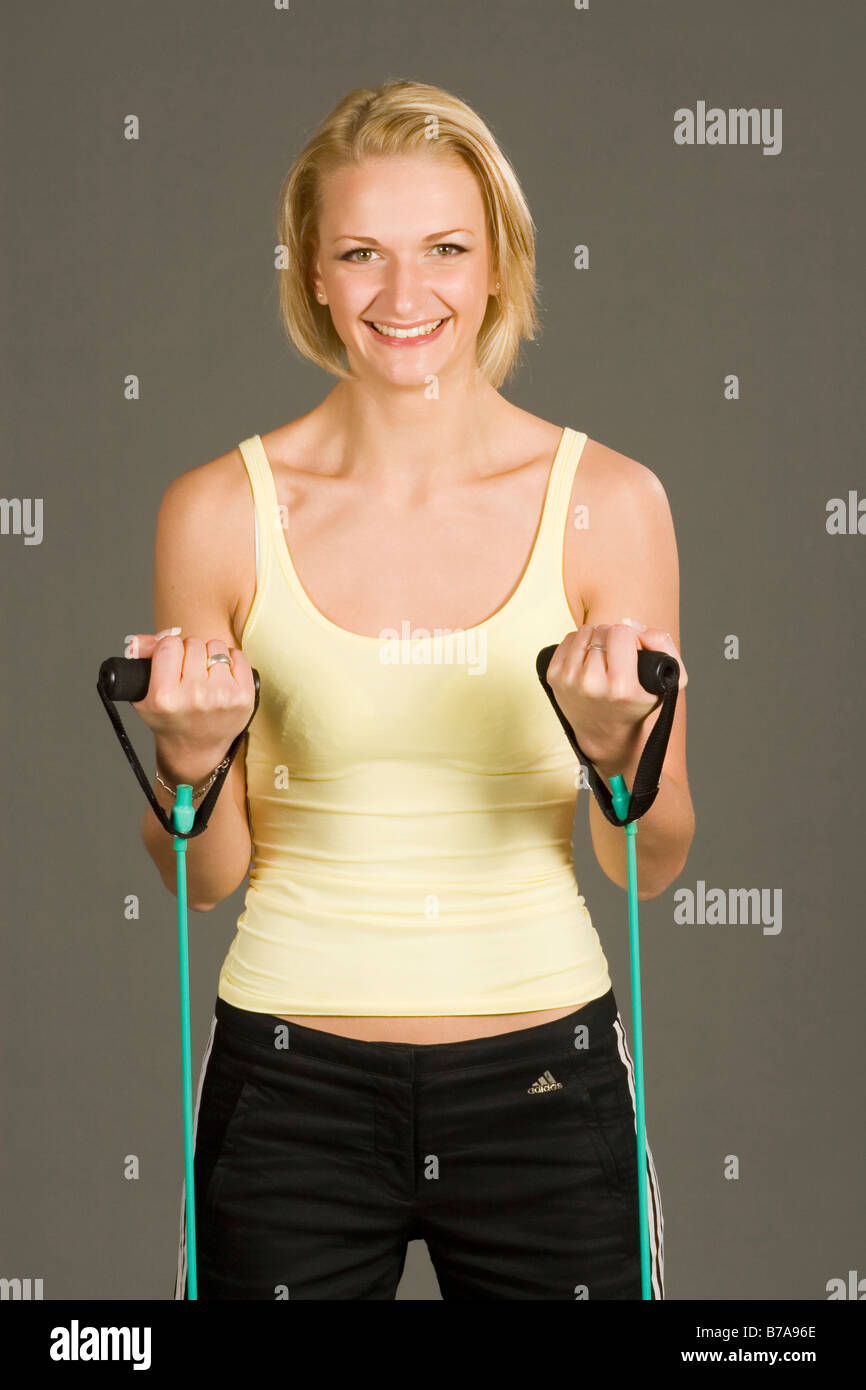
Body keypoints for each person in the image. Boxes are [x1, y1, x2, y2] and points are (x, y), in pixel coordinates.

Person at [131, 78, 693, 1300]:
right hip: (288, 1091)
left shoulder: (612, 502)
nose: (403, 295)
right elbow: (199, 877)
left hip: (546, 1080)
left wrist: (613, 757)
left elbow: (648, 864)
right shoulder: (217, 511)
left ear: (499, 265)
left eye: (444, 249)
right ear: (313, 278)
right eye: (359, 254)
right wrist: (188, 763)